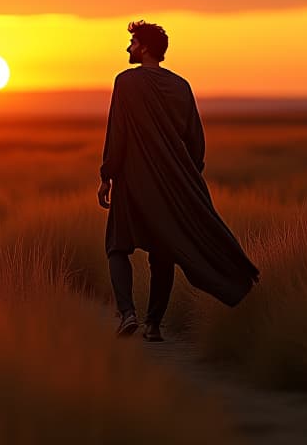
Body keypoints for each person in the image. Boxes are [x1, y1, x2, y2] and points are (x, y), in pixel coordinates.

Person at [98, 20, 260, 342]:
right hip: (174, 183)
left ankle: (127, 312)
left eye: (131, 42)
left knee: (117, 245)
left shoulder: (126, 83)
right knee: (163, 251)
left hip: (133, 182)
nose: (127, 48)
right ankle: (153, 325)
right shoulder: (181, 86)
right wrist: (186, 177)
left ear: (143, 47)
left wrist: (107, 177)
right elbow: (195, 140)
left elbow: (117, 136)